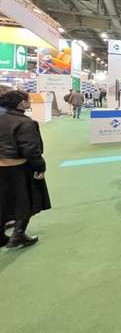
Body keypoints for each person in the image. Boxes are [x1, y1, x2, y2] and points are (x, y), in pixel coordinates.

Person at [0, 90, 51, 249]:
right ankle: (18, 234)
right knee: (27, 201)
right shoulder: (26, 123)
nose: (30, 101)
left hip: (2, 166)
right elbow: (30, 150)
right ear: (22, 103)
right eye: (28, 99)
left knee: (4, 202)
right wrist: (41, 167)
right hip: (19, 168)